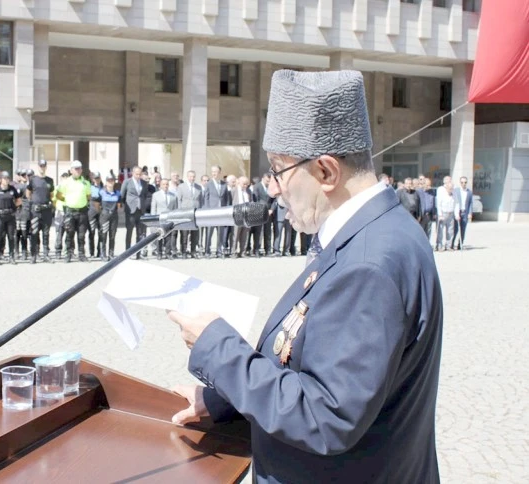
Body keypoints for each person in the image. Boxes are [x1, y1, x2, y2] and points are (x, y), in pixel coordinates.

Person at [167, 70, 443, 483]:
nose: (274, 189)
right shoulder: (370, 231)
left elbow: (327, 416)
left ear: (327, 172)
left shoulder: (368, 264)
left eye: (279, 170)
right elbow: (310, 365)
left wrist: (218, 349)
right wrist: (223, 401)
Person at [56, 160, 91, 263]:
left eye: (79, 168)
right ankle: (68, 254)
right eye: (76, 169)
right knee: (69, 234)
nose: (78, 170)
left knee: (81, 235)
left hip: (82, 211)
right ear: (71, 170)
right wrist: (67, 200)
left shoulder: (86, 182)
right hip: (70, 211)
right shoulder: (66, 182)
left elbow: (88, 196)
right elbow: (58, 195)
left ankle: (81, 254)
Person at [0, 171, 21, 265]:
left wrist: (14, 208)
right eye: (5, 178)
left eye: (8, 178)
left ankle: (11, 256)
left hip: (10, 216)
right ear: (1, 179)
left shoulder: (12, 189)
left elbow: (19, 200)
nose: (6, 180)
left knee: (11, 237)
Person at [27, 160, 55, 263]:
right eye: (40, 166)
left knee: (46, 233)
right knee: (34, 233)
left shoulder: (50, 180)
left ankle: (46, 255)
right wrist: (33, 203)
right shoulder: (33, 180)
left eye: (44, 166)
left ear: (46, 167)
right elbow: (28, 193)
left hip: (46, 210)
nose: (42, 167)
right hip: (36, 211)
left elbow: (52, 194)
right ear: (38, 167)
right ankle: (34, 255)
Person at [121, 165, 148, 259]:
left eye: (140, 174)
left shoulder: (144, 183)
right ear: (132, 173)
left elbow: (144, 195)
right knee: (129, 232)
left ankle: (138, 253)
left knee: (140, 233)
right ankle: (127, 253)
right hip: (131, 211)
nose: (138, 176)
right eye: (136, 174)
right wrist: (127, 206)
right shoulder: (127, 182)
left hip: (140, 211)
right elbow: (122, 195)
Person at [176, 170, 202, 259]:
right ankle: (183, 251)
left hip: (195, 213)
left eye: (193, 176)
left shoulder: (198, 187)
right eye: (190, 176)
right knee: (184, 233)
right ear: (187, 177)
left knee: (195, 233)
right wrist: (179, 212)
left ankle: (193, 251)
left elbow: (200, 200)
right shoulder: (181, 187)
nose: (192, 178)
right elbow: (179, 200)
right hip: (185, 213)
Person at [150, 178, 178, 259]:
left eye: (167, 184)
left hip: (169, 219)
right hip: (159, 218)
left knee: (168, 237)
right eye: (164, 184)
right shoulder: (155, 195)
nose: (165, 186)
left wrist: (174, 219)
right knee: (159, 236)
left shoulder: (173, 196)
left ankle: (168, 253)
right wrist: (153, 219)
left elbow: (175, 209)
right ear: (160, 185)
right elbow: (153, 208)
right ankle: (159, 253)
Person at [98, 174, 121, 261]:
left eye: (112, 180)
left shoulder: (118, 193)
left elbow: (119, 204)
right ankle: (103, 254)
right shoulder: (101, 192)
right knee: (103, 235)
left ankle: (111, 254)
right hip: (104, 215)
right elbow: (97, 204)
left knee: (112, 235)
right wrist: (102, 213)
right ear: (106, 182)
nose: (110, 182)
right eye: (109, 181)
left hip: (114, 216)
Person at [452, 176, 473, 250]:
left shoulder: (469, 192)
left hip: (465, 212)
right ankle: (451, 244)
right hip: (458, 212)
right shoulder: (456, 191)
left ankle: (460, 244)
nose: (463, 184)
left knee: (463, 230)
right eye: (462, 182)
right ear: (460, 183)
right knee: (455, 229)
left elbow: (470, 203)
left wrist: (470, 213)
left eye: (465, 182)